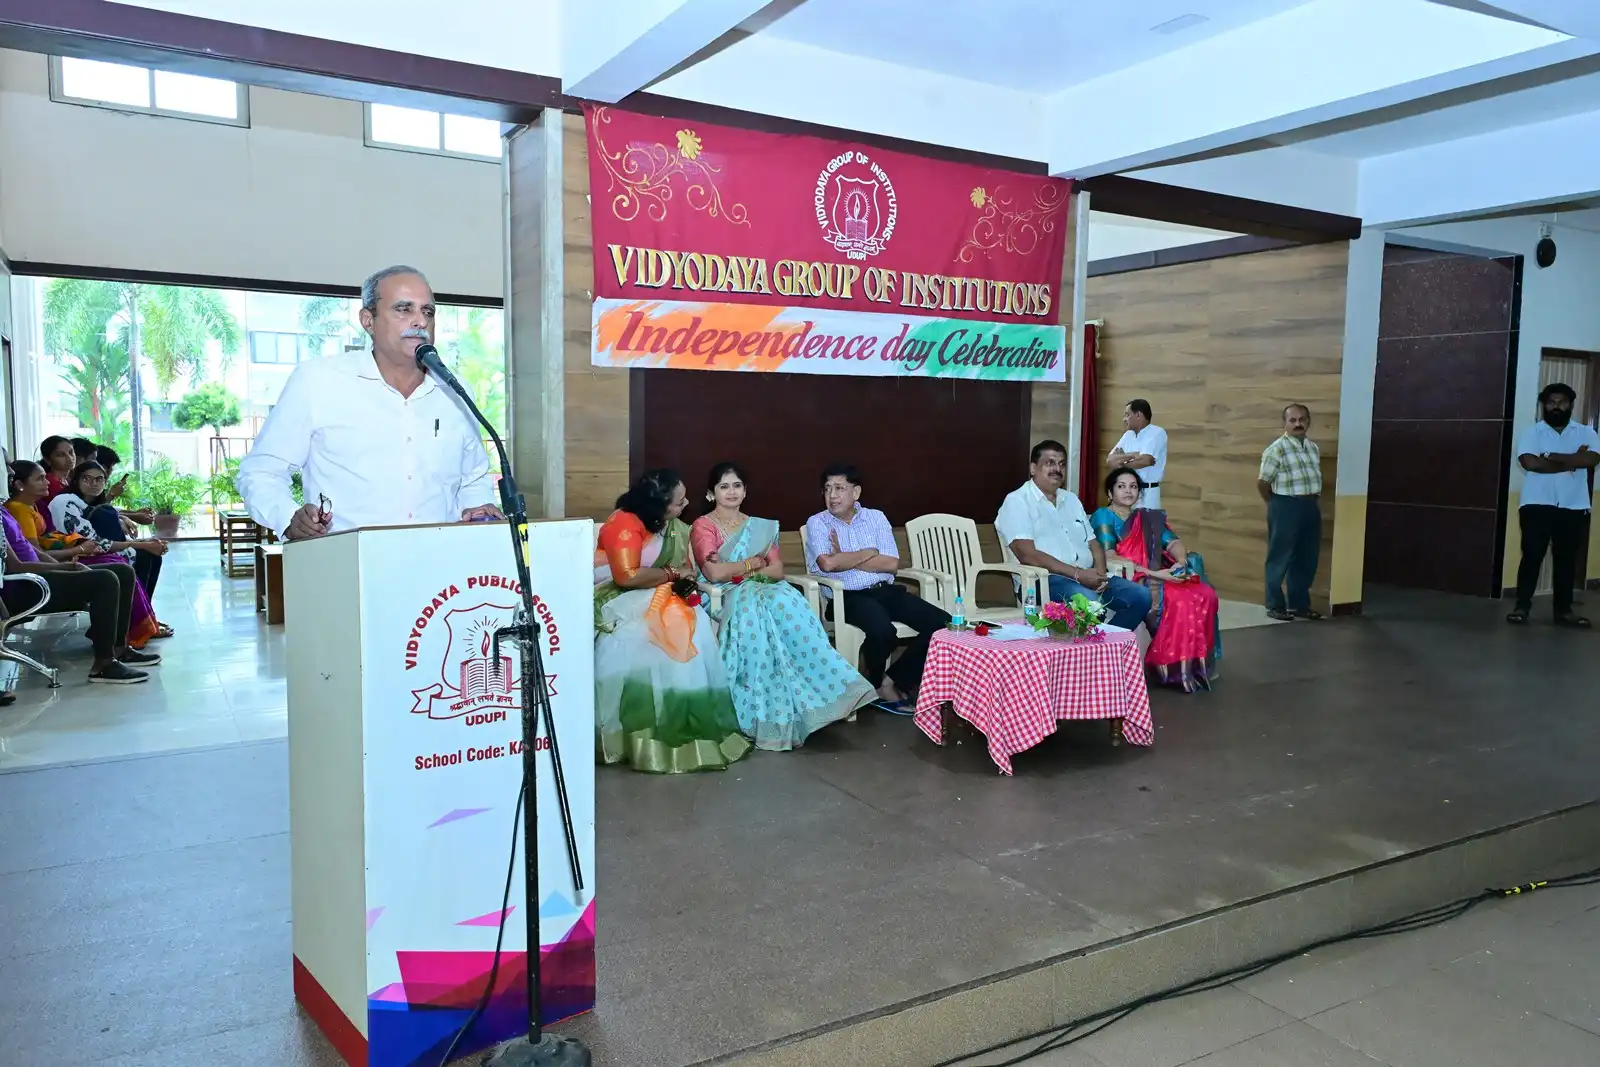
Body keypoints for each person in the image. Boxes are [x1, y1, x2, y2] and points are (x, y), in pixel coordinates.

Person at [238, 264, 502, 539]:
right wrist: (288, 518)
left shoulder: (455, 391)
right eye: (404, 309)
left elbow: (472, 479)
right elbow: (261, 472)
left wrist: (479, 509)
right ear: (368, 321)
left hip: (440, 570)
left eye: (428, 312)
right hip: (346, 568)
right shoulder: (318, 381)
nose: (420, 321)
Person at [690, 461, 874, 749]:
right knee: (755, 613)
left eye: (737, 485)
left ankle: (811, 703)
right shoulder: (704, 526)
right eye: (724, 486)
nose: (731, 492)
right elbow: (715, 573)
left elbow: (776, 571)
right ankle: (761, 715)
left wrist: (741, 569)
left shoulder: (759, 527)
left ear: (745, 490)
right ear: (712, 493)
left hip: (768, 589)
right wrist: (753, 564)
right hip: (724, 593)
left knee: (792, 606)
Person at [594, 469, 751, 773]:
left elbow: (686, 567)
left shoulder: (673, 526)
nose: (686, 504)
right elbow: (627, 577)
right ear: (658, 505)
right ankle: (643, 735)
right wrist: (672, 575)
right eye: (679, 502)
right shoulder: (624, 523)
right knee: (647, 633)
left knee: (692, 623)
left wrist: (676, 576)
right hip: (615, 595)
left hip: (658, 591)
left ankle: (685, 726)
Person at [805, 463, 950, 712]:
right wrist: (868, 553)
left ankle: (892, 681)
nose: (832, 495)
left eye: (839, 488)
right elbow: (828, 564)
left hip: (885, 590)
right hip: (848, 598)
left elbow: (891, 563)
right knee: (882, 630)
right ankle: (874, 683)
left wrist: (846, 557)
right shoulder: (817, 523)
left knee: (943, 625)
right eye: (827, 489)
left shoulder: (876, 518)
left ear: (856, 492)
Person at [7, 460, 164, 651]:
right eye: (40, 478)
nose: (47, 482)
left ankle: (130, 632)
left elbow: (37, 550)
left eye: (100, 479)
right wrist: (71, 558)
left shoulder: (31, 507)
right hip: (35, 579)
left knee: (135, 559)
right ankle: (114, 649)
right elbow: (29, 557)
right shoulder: (27, 509)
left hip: (58, 560)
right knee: (118, 568)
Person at [997, 440, 1153, 631]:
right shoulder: (1017, 502)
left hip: (1085, 575)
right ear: (1032, 468)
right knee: (1090, 603)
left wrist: (1101, 576)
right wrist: (1078, 575)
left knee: (1141, 596)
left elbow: (1094, 543)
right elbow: (1028, 555)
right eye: (1049, 463)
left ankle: (1104, 648)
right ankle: (1096, 650)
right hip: (1043, 581)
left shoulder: (1071, 500)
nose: (1057, 469)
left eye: (1062, 464)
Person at [1, 493, 153, 684]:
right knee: (104, 579)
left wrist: (64, 563)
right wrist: (65, 567)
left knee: (123, 571)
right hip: (25, 586)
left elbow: (35, 552)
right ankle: (103, 665)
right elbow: (17, 567)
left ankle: (119, 648)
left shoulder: (4, 512)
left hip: (41, 575)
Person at [1092, 467, 1221, 692]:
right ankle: (1170, 669)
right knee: (1179, 600)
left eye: (1133, 487)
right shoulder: (1104, 516)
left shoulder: (1149, 517)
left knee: (1204, 594)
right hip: (1131, 577)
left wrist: (1180, 561)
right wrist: (1154, 574)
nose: (1128, 491)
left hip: (1160, 573)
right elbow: (1109, 556)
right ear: (1110, 493)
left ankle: (1192, 666)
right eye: (1121, 486)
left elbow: (1172, 542)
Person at [1508, 382, 1598, 628]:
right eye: (1551, 402)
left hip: (1573, 506)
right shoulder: (1533, 433)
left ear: (1570, 405)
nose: (1556, 406)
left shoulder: (1586, 433)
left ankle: (1564, 611)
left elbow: (1591, 459)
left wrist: (1550, 456)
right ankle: (1522, 607)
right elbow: (1530, 463)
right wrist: (1571, 461)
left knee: (1566, 561)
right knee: (1532, 557)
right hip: (1537, 505)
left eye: (1561, 402)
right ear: (1544, 405)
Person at [50, 460, 170, 605]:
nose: (94, 483)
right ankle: (134, 617)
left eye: (99, 479)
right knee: (144, 554)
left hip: (99, 551)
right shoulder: (65, 503)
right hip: (77, 556)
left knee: (154, 555)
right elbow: (94, 543)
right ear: (75, 480)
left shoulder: (92, 504)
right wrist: (142, 545)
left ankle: (145, 613)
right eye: (86, 478)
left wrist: (145, 543)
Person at [1257, 404, 1323, 622]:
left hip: (1310, 505)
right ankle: (1275, 605)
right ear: (1284, 423)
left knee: (1306, 557)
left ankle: (1299, 605)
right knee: (1279, 556)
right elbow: (1263, 482)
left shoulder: (1312, 448)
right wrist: (1274, 504)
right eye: (1292, 420)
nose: (1298, 424)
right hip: (1285, 505)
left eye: (1302, 419)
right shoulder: (1276, 449)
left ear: (1308, 421)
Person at [1106, 399, 1169, 509]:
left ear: (1138, 415)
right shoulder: (1127, 435)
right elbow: (1110, 461)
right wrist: (1132, 455)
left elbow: (1145, 460)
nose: (1124, 419)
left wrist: (1121, 464)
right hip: (1126, 493)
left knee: (1146, 525)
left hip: (1147, 493)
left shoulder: (1157, 432)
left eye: (1127, 415)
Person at [93, 446, 156, 531]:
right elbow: (95, 513)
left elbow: (107, 509)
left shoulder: (98, 487)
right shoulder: (90, 487)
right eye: (111, 467)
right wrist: (111, 495)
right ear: (103, 467)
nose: (111, 471)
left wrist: (135, 513)